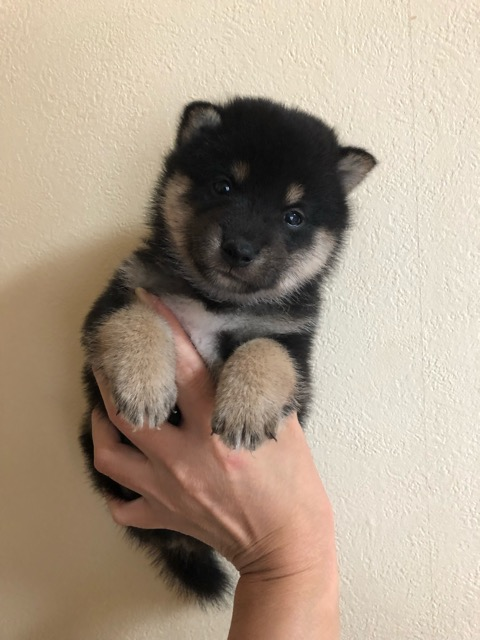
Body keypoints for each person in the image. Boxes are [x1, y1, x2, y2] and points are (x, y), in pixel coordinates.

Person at [91, 292, 340, 639]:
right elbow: (106, 330)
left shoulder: (289, 314)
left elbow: (289, 382)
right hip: (144, 477)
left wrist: (283, 562)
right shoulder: (148, 282)